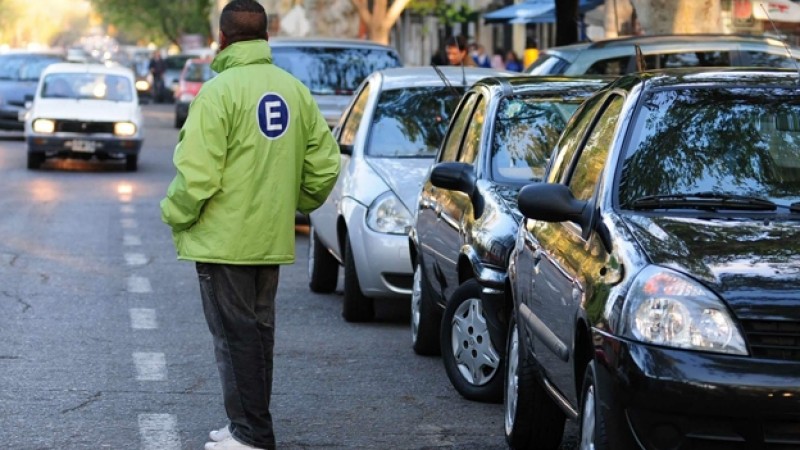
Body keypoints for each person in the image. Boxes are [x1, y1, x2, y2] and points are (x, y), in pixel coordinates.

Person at [159, 0, 340, 449]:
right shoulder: (294, 90)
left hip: (224, 241)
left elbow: (197, 177)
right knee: (257, 337)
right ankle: (245, 426)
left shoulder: (218, 93)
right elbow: (325, 164)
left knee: (234, 339)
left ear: (222, 38)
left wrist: (174, 213)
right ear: (265, 37)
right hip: (269, 239)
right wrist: (290, 203)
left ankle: (251, 435)